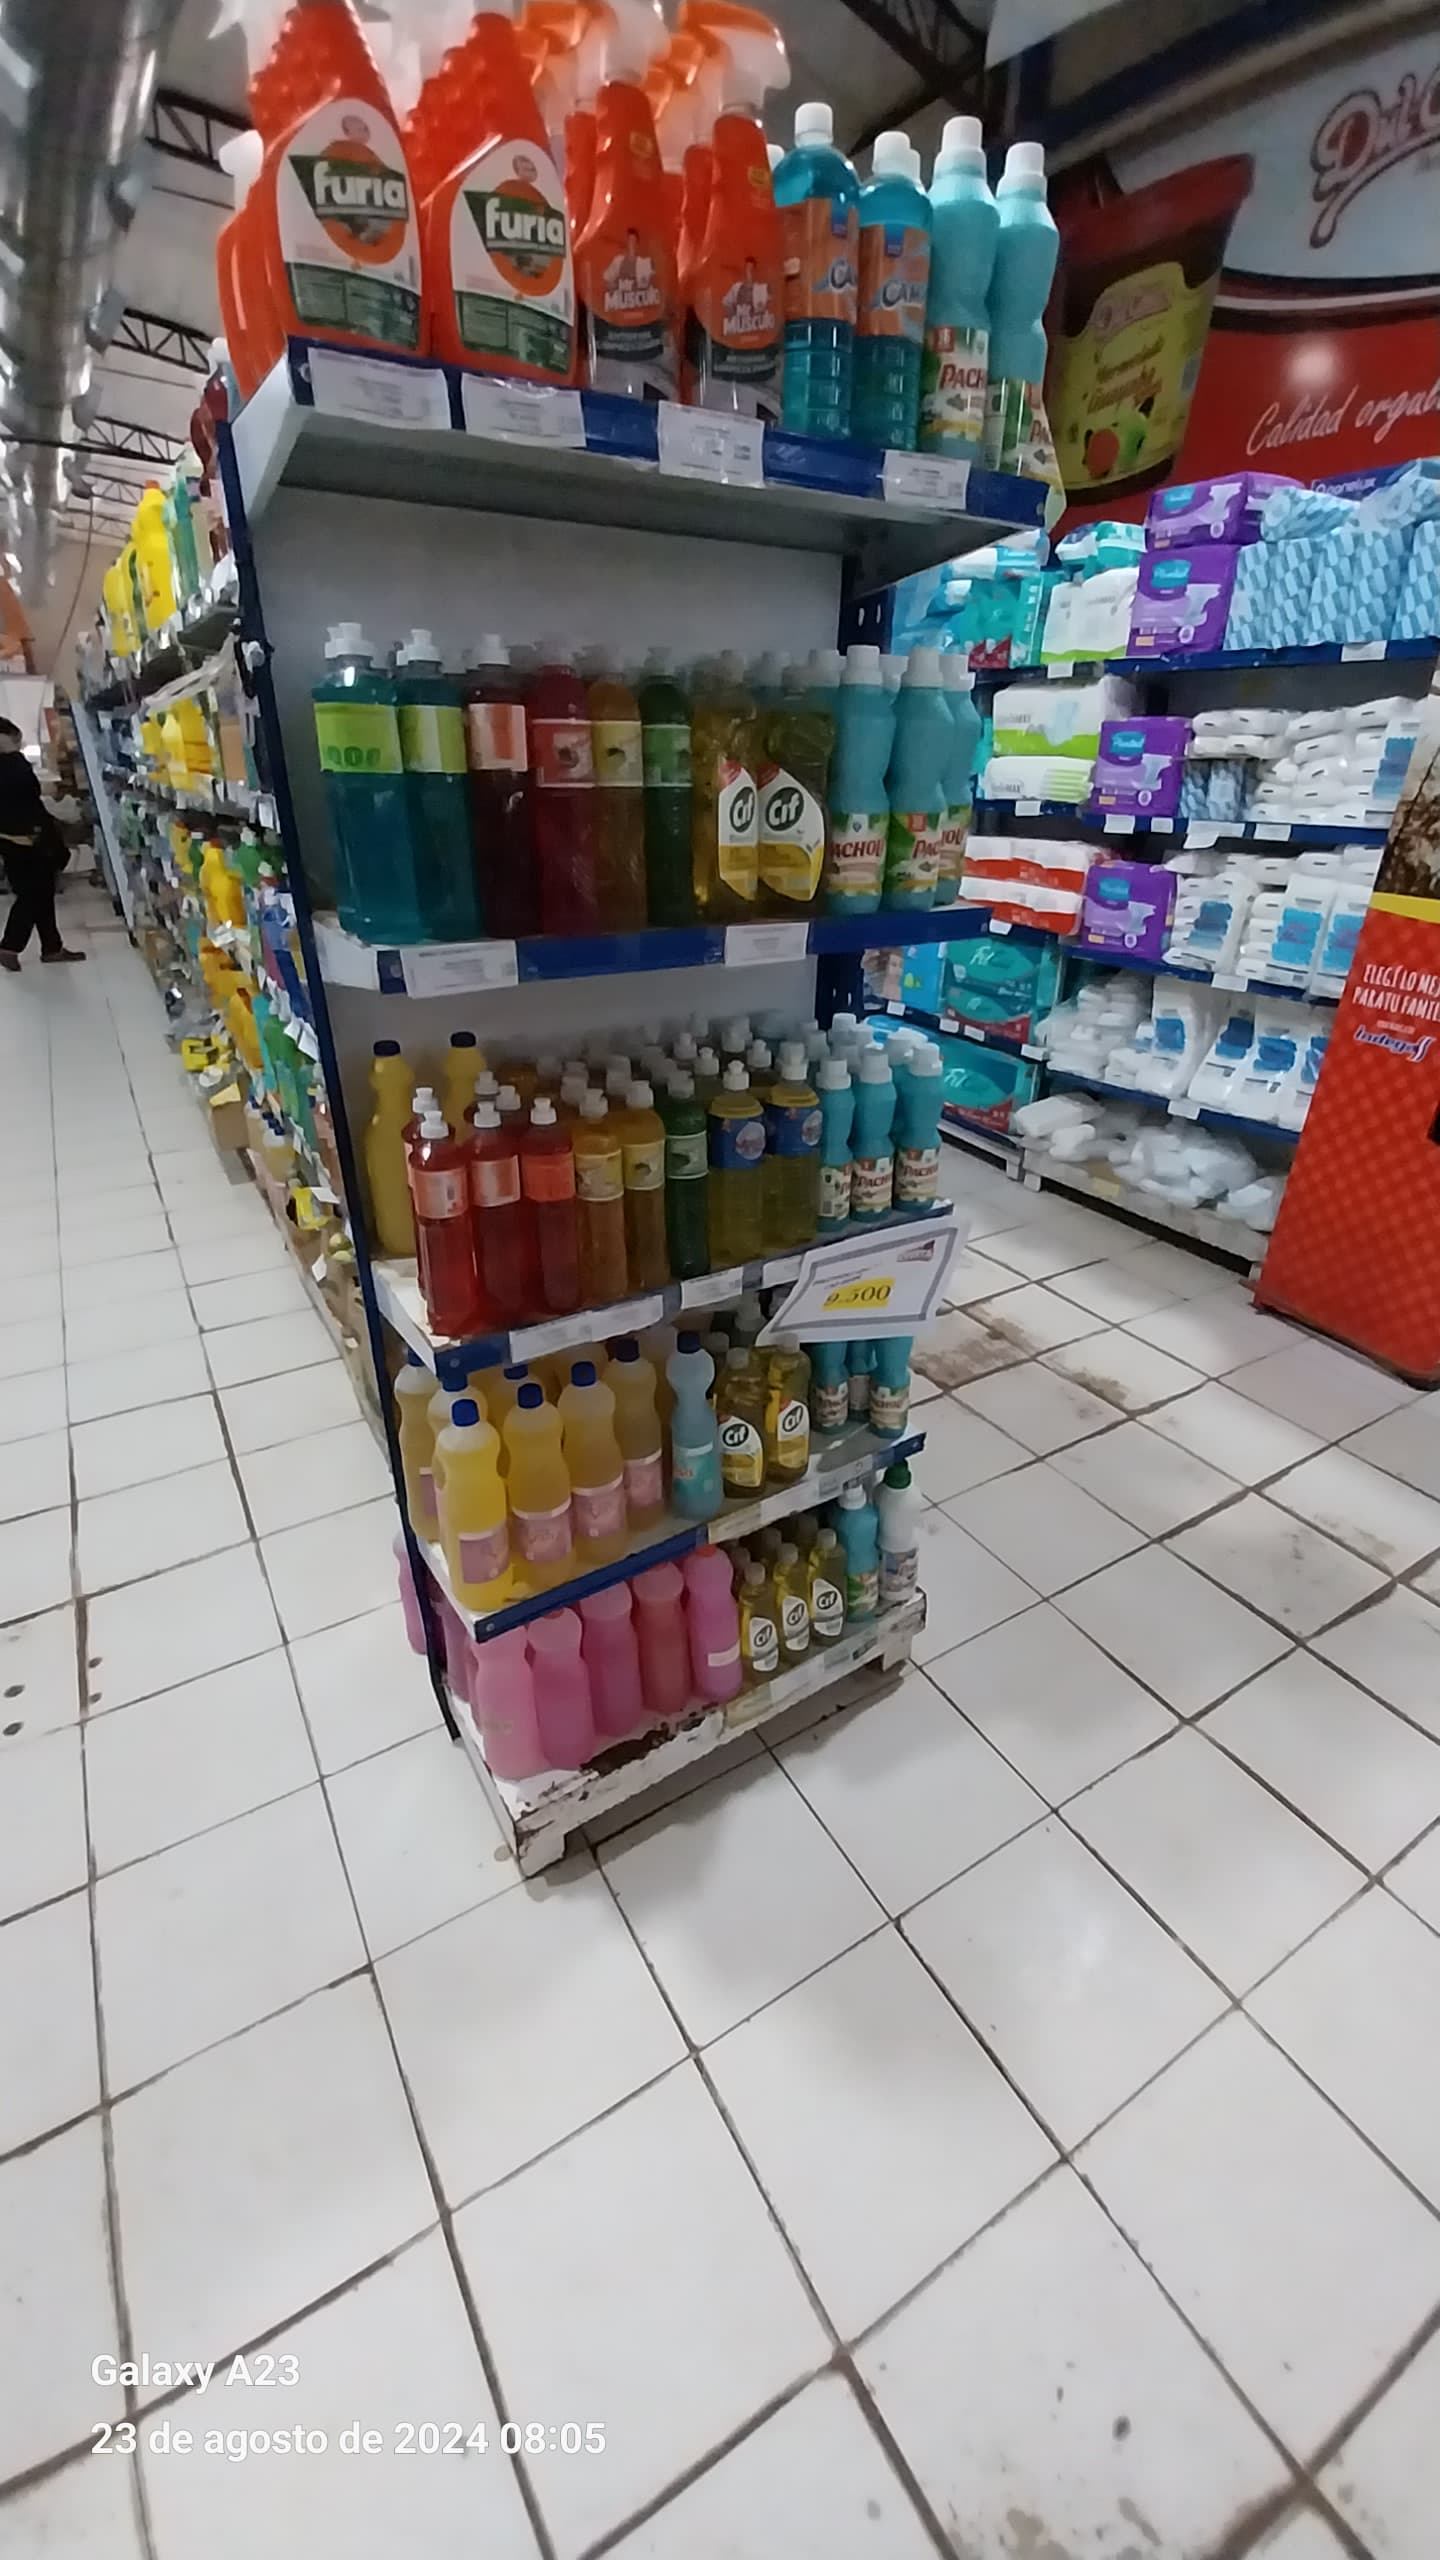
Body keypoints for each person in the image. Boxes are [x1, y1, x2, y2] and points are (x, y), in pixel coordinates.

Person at [0, 719, 83, 968]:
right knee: (33, 894)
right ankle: (9, 946)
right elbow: (27, 798)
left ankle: (51, 946)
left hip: (10, 838)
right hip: (27, 838)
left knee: (41, 893)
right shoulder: (12, 764)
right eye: (15, 738)